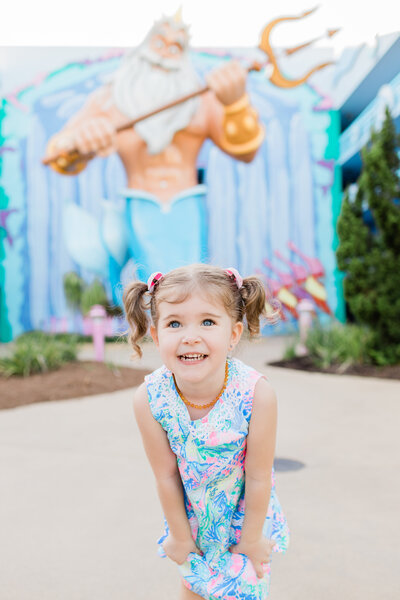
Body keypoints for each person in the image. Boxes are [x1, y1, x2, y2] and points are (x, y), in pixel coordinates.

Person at [44, 15, 264, 282]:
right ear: (145, 46)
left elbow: (245, 150)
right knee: (154, 285)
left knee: (191, 284)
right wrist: (79, 141)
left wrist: (236, 104)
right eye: (159, 43)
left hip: (187, 202)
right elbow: (57, 154)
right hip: (140, 202)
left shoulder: (201, 99)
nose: (164, 56)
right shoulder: (111, 100)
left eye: (175, 48)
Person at [123, 264, 289, 600]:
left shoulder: (256, 395)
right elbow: (166, 476)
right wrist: (182, 536)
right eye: (174, 323)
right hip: (194, 517)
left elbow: (258, 477)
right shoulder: (150, 399)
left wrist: (252, 539)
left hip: (247, 516)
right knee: (194, 590)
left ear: (233, 334)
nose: (190, 335)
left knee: (244, 590)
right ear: (156, 336)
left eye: (208, 321)